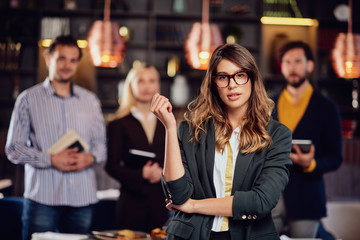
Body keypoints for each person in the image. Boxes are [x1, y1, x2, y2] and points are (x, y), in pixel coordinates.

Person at [150, 43, 292, 240]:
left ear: (252, 79)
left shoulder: (277, 135)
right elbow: (178, 195)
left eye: (240, 75)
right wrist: (170, 128)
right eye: (223, 77)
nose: (232, 84)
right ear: (214, 83)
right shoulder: (189, 130)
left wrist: (193, 206)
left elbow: (261, 201)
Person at [5, 35, 107, 240]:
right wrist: (50, 159)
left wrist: (90, 158)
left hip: (82, 198)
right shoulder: (28, 99)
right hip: (42, 197)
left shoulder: (90, 101)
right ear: (48, 58)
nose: (67, 65)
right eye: (61, 58)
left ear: (78, 62)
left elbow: (101, 146)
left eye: (72, 60)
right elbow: (13, 148)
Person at [271, 41, 342, 238]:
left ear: (310, 65)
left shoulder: (327, 108)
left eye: (297, 61)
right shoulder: (268, 105)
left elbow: (336, 157)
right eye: (287, 62)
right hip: (271, 195)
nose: (292, 67)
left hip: (307, 197)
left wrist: (311, 164)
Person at [105, 62, 169, 233]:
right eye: (140, 81)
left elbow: (179, 160)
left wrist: (162, 172)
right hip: (131, 203)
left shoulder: (168, 122)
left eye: (152, 80)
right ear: (130, 85)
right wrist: (141, 174)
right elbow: (111, 166)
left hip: (161, 202)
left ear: (158, 85)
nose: (147, 86)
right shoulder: (118, 124)